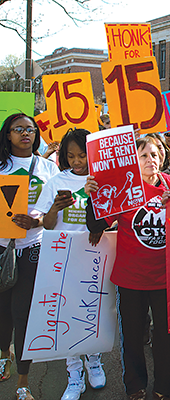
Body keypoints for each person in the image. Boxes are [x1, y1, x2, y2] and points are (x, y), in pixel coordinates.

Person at [85, 136, 170, 400]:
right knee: (133, 337)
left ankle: (164, 387)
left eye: (154, 154)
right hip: (131, 278)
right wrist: (93, 196)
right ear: (132, 162)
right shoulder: (125, 189)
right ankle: (135, 386)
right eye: (143, 156)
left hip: (167, 278)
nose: (151, 160)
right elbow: (96, 226)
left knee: (165, 338)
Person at [34, 128, 106, 400]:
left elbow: (111, 218)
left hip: (97, 255)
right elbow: (48, 225)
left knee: (93, 311)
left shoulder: (101, 180)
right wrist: (55, 208)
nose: (77, 161)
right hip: (63, 256)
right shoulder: (55, 181)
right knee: (66, 314)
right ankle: (73, 372)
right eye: (71, 156)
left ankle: (94, 360)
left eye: (83, 155)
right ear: (63, 156)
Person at [0, 113, 60, 400]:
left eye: (30, 129)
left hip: (34, 248)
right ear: (7, 134)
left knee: (22, 314)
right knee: (3, 311)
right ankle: (4, 354)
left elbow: (53, 208)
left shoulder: (49, 167)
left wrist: (36, 222)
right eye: (18, 129)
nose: (25, 133)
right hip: (2, 249)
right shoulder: (2, 166)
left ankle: (23, 381)